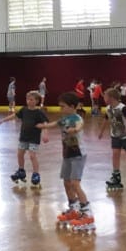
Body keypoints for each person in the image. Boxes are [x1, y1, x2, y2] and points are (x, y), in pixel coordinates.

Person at [37, 92, 94, 231]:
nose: (60, 109)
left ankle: (87, 214)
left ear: (72, 106)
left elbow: (80, 126)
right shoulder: (64, 119)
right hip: (67, 155)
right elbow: (53, 124)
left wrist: (74, 129)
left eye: (63, 106)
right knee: (67, 182)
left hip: (78, 154)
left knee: (75, 183)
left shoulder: (77, 118)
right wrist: (41, 126)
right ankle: (73, 209)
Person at [0, 91, 49, 188]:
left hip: (34, 138)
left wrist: (45, 134)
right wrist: (3, 120)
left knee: (32, 156)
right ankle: (21, 171)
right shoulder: (24, 110)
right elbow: (14, 116)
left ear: (37, 101)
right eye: (27, 99)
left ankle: (36, 174)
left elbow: (45, 123)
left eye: (31, 99)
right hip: (23, 137)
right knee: (20, 154)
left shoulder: (39, 112)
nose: (29, 101)